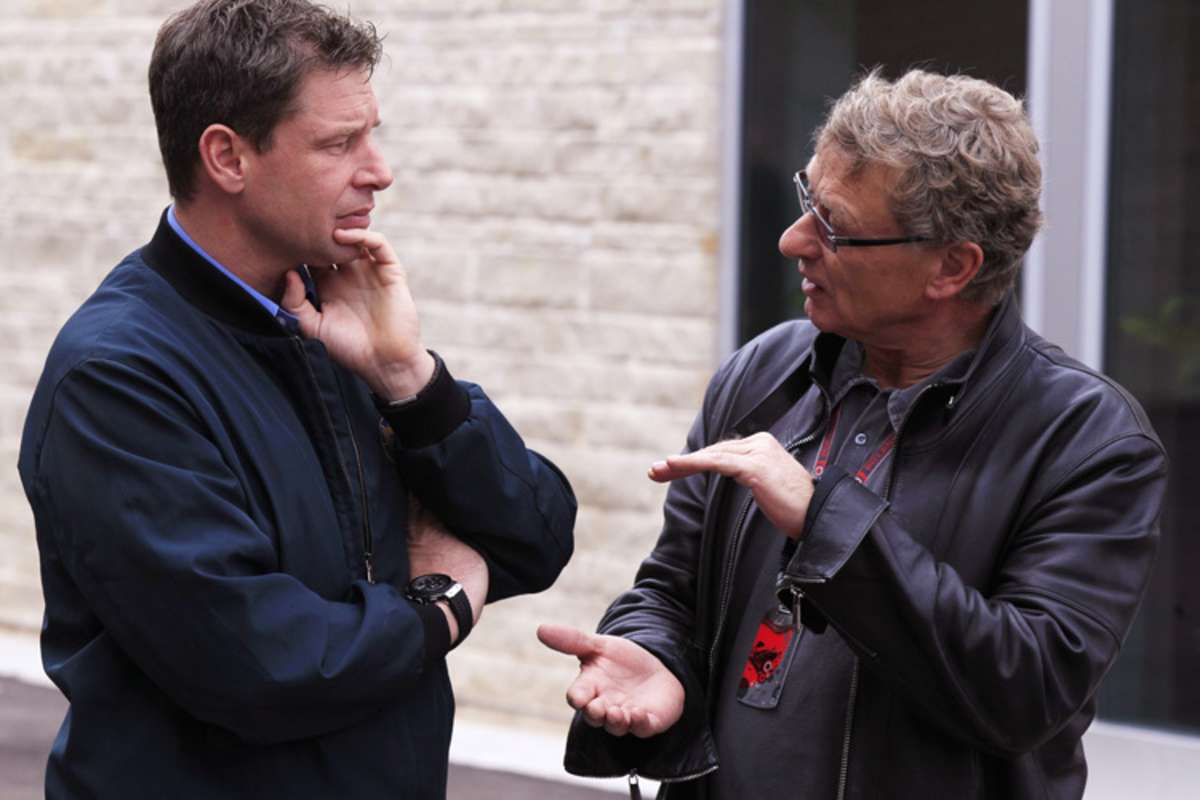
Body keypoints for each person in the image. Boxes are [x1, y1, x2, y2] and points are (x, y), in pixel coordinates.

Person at [538, 68, 1166, 799]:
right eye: (810, 199)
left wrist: (824, 518)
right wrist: (656, 657)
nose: (791, 239)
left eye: (834, 226)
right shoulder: (764, 373)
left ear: (951, 267)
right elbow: (674, 587)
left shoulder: (1087, 440)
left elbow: (1025, 690)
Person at [18, 1, 576, 797]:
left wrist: (410, 381)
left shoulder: (334, 318)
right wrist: (441, 606)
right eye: (338, 143)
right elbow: (261, 664)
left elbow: (536, 536)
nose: (378, 169)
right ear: (227, 158)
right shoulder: (117, 376)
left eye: (372, 133)